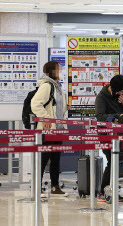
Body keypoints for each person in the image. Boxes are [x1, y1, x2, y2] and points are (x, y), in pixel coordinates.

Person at [31, 61, 68, 197]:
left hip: (58, 129)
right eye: (59, 69)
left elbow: (54, 107)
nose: (61, 71)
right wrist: (45, 118)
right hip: (48, 130)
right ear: (53, 71)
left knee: (55, 159)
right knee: (43, 159)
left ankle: (55, 186)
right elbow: (35, 104)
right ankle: (37, 187)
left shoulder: (58, 87)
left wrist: (64, 108)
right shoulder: (47, 86)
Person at [95, 74, 123, 202]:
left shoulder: (118, 97)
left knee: (117, 162)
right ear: (115, 88)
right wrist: (117, 116)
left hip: (120, 135)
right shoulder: (101, 97)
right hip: (106, 135)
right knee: (112, 162)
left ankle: (111, 190)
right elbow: (100, 116)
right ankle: (103, 191)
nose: (122, 93)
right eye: (122, 90)